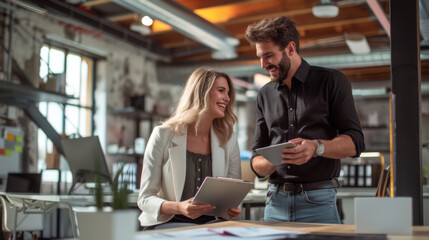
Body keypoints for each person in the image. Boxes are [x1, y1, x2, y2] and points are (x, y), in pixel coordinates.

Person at [245, 16, 365, 224]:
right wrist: (274, 159)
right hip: (274, 203)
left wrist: (317, 147)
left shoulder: (331, 81)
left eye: (268, 56)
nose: (263, 64)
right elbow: (257, 161)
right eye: (260, 57)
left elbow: (355, 143)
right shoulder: (264, 94)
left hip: (319, 202)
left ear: (290, 49)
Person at [137, 67, 242, 229]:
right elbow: (145, 198)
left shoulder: (229, 139)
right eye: (221, 91)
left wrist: (233, 208)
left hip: (212, 224)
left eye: (228, 93)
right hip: (169, 222)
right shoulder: (163, 134)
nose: (227, 98)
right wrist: (179, 207)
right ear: (201, 93)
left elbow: (234, 195)